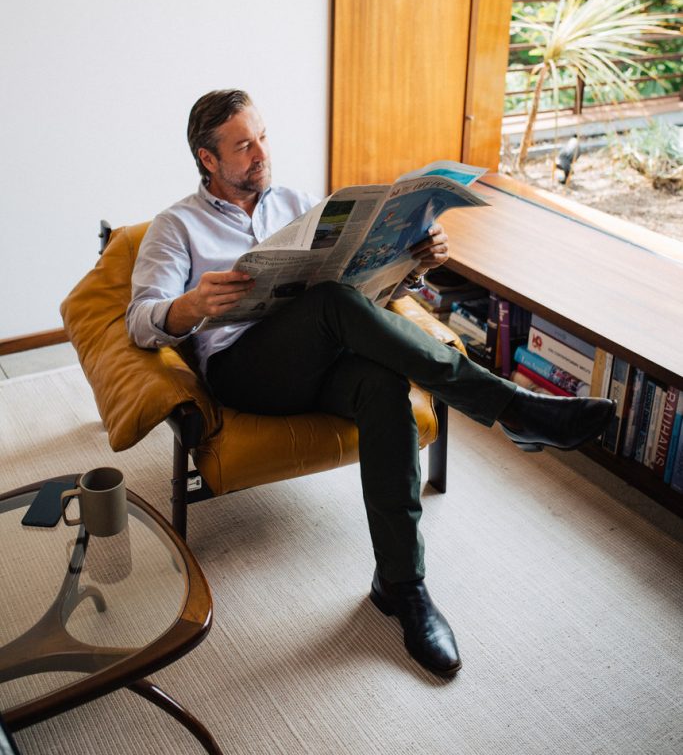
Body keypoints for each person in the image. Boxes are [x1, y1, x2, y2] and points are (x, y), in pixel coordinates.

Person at [126, 89, 614, 678]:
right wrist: (190, 306)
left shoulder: (300, 205)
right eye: (243, 145)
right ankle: (514, 409)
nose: (262, 153)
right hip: (245, 372)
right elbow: (139, 321)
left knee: (382, 384)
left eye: (263, 137)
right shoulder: (176, 226)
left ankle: (402, 586)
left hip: (324, 357)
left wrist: (414, 265)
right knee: (331, 302)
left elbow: (366, 299)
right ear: (208, 159)